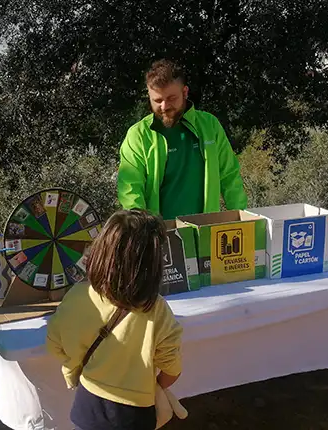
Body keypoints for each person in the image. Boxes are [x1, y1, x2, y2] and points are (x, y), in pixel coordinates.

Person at [46, 209, 183, 430]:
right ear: (153, 265)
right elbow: (172, 369)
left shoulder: (78, 296)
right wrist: (154, 388)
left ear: (101, 252)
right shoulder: (157, 310)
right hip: (135, 415)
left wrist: (73, 369)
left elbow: (54, 341)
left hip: (87, 407)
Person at [117, 59, 248, 220]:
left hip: (205, 231)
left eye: (171, 98)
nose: (164, 106)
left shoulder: (210, 126)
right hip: (158, 235)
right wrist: (141, 231)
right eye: (157, 100)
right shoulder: (138, 135)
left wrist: (241, 220)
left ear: (185, 92)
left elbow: (230, 177)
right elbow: (130, 189)